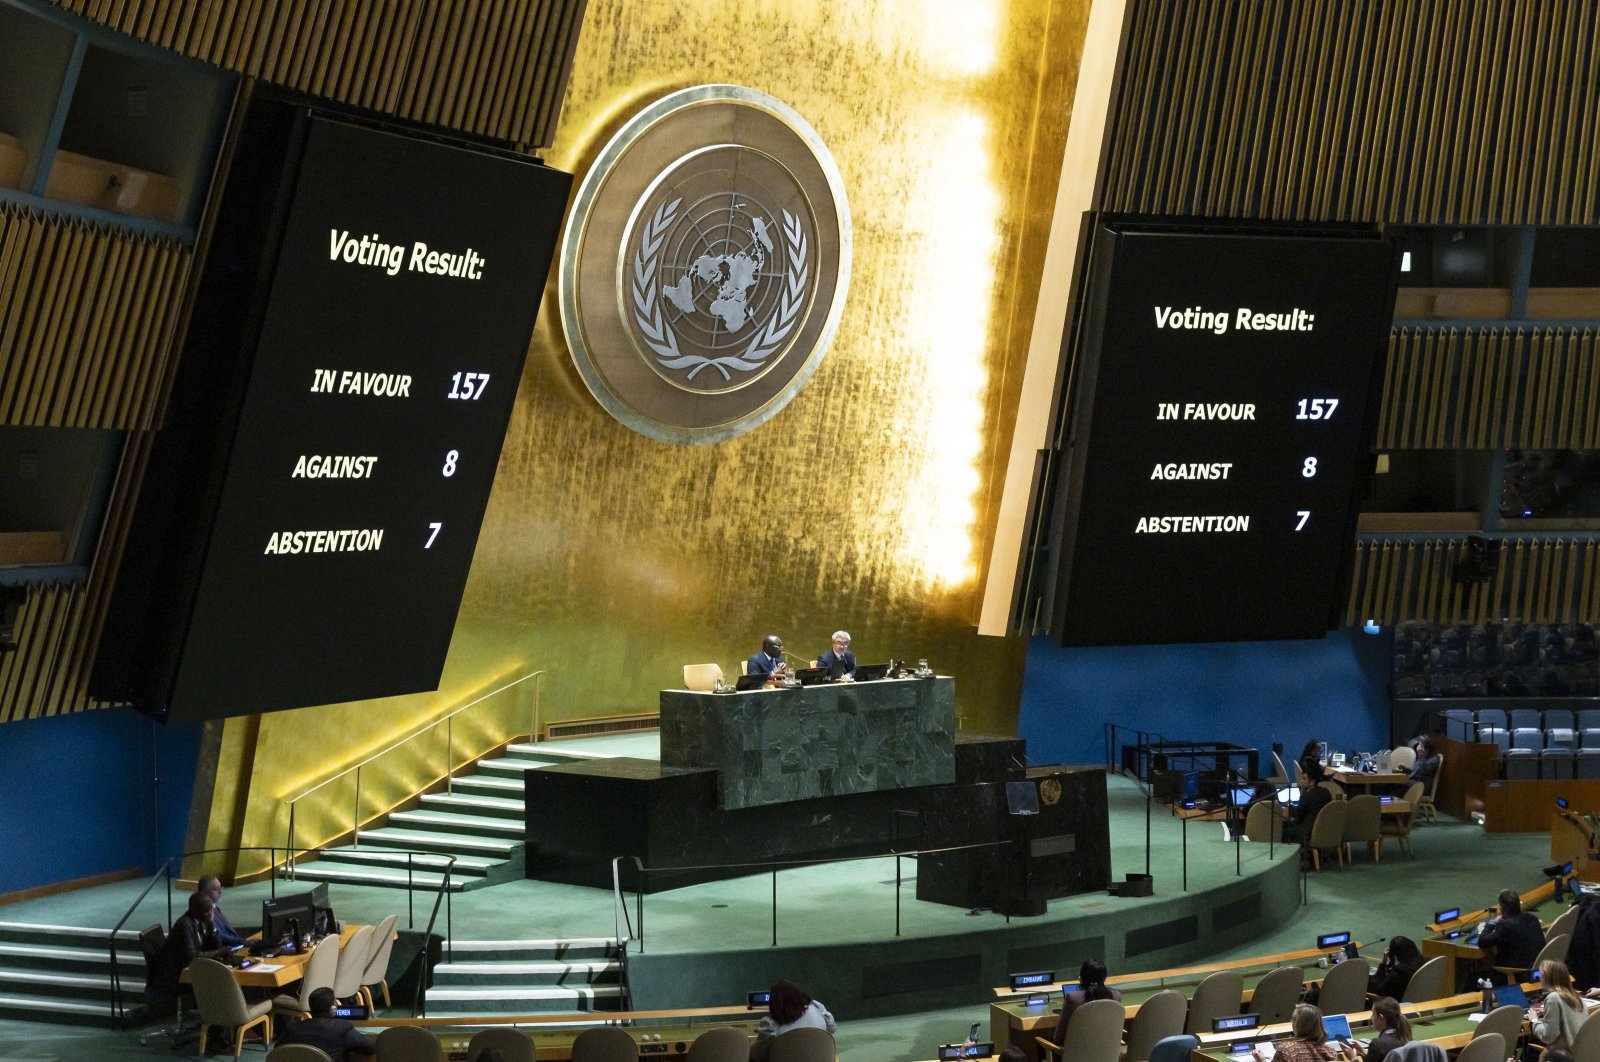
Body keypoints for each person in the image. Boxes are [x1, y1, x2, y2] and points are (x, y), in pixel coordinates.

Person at [150, 890, 234, 999]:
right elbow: (191, 957)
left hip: (188, 971)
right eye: (206, 911)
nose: (210, 914)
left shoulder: (199, 921)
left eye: (211, 910)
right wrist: (220, 952)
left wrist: (212, 925)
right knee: (218, 983)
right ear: (194, 910)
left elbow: (213, 947)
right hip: (174, 978)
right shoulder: (184, 925)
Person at [275, 986, 376, 1061]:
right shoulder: (342, 1028)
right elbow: (369, 1048)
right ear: (333, 1008)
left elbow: (277, 1052)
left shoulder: (291, 1029)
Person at [750, 979, 835, 1060]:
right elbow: (832, 1028)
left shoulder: (770, 1025)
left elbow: (758, 1054)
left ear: (774, 1002)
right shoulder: (817, 1007)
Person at [1252, 1004, 1360, 1062]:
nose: (1291, 1022)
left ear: (1298, 1024)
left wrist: (1261, 1061)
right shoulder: (1330, 1050)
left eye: (1293, 1019)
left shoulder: (1286, 1050)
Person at [1478, 889, 1545, 981]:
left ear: (1501, 909)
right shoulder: (1532, 918)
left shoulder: (1504, 926)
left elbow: (1482, 942)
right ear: (1519, 904)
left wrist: (1492, 923)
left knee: (1475, 978)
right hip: (1537, 969)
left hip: (1515, 974)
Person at [1053, 959, 1121, 1045]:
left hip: (1077, 1055)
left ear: (1080, 979)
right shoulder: (1116, 995)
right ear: (1104, 979)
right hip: (1108, 1054)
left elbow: (1058, 1037)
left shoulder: (1072, 998)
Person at [1531, 960, 1588, 1052]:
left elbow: (1548, 1036)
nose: (1539, 977)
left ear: (1546, 976)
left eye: (1540, 973)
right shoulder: (1576, 996)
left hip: (1564, 1056)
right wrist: (1546, 1012)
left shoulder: (1553, 998)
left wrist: (1534, 1020)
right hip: (1580, 1053)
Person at [198, 873, 245, 948]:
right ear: (204, 893)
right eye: (215, 889)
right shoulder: (204, 912)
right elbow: (220, 936)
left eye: (220, 888)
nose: (220, 892)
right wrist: (243, 942)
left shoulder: (215, 908)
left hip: (235, 945)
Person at [1362, 997, 1411, 1062]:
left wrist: (1353, 1059)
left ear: (1381, 1017)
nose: (1371, 1017)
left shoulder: (1377, 1045)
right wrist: (1364, 1054)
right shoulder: (1405, 1037)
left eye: (1373, 1013)